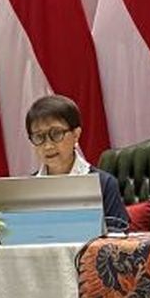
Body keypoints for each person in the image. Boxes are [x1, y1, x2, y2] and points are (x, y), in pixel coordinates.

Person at [26, 94, 129, 230]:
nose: (48, 146)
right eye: (39, 137)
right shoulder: (27, 189)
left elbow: (119, 238)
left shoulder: (104, 183)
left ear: (76, 134)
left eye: (56, 134)